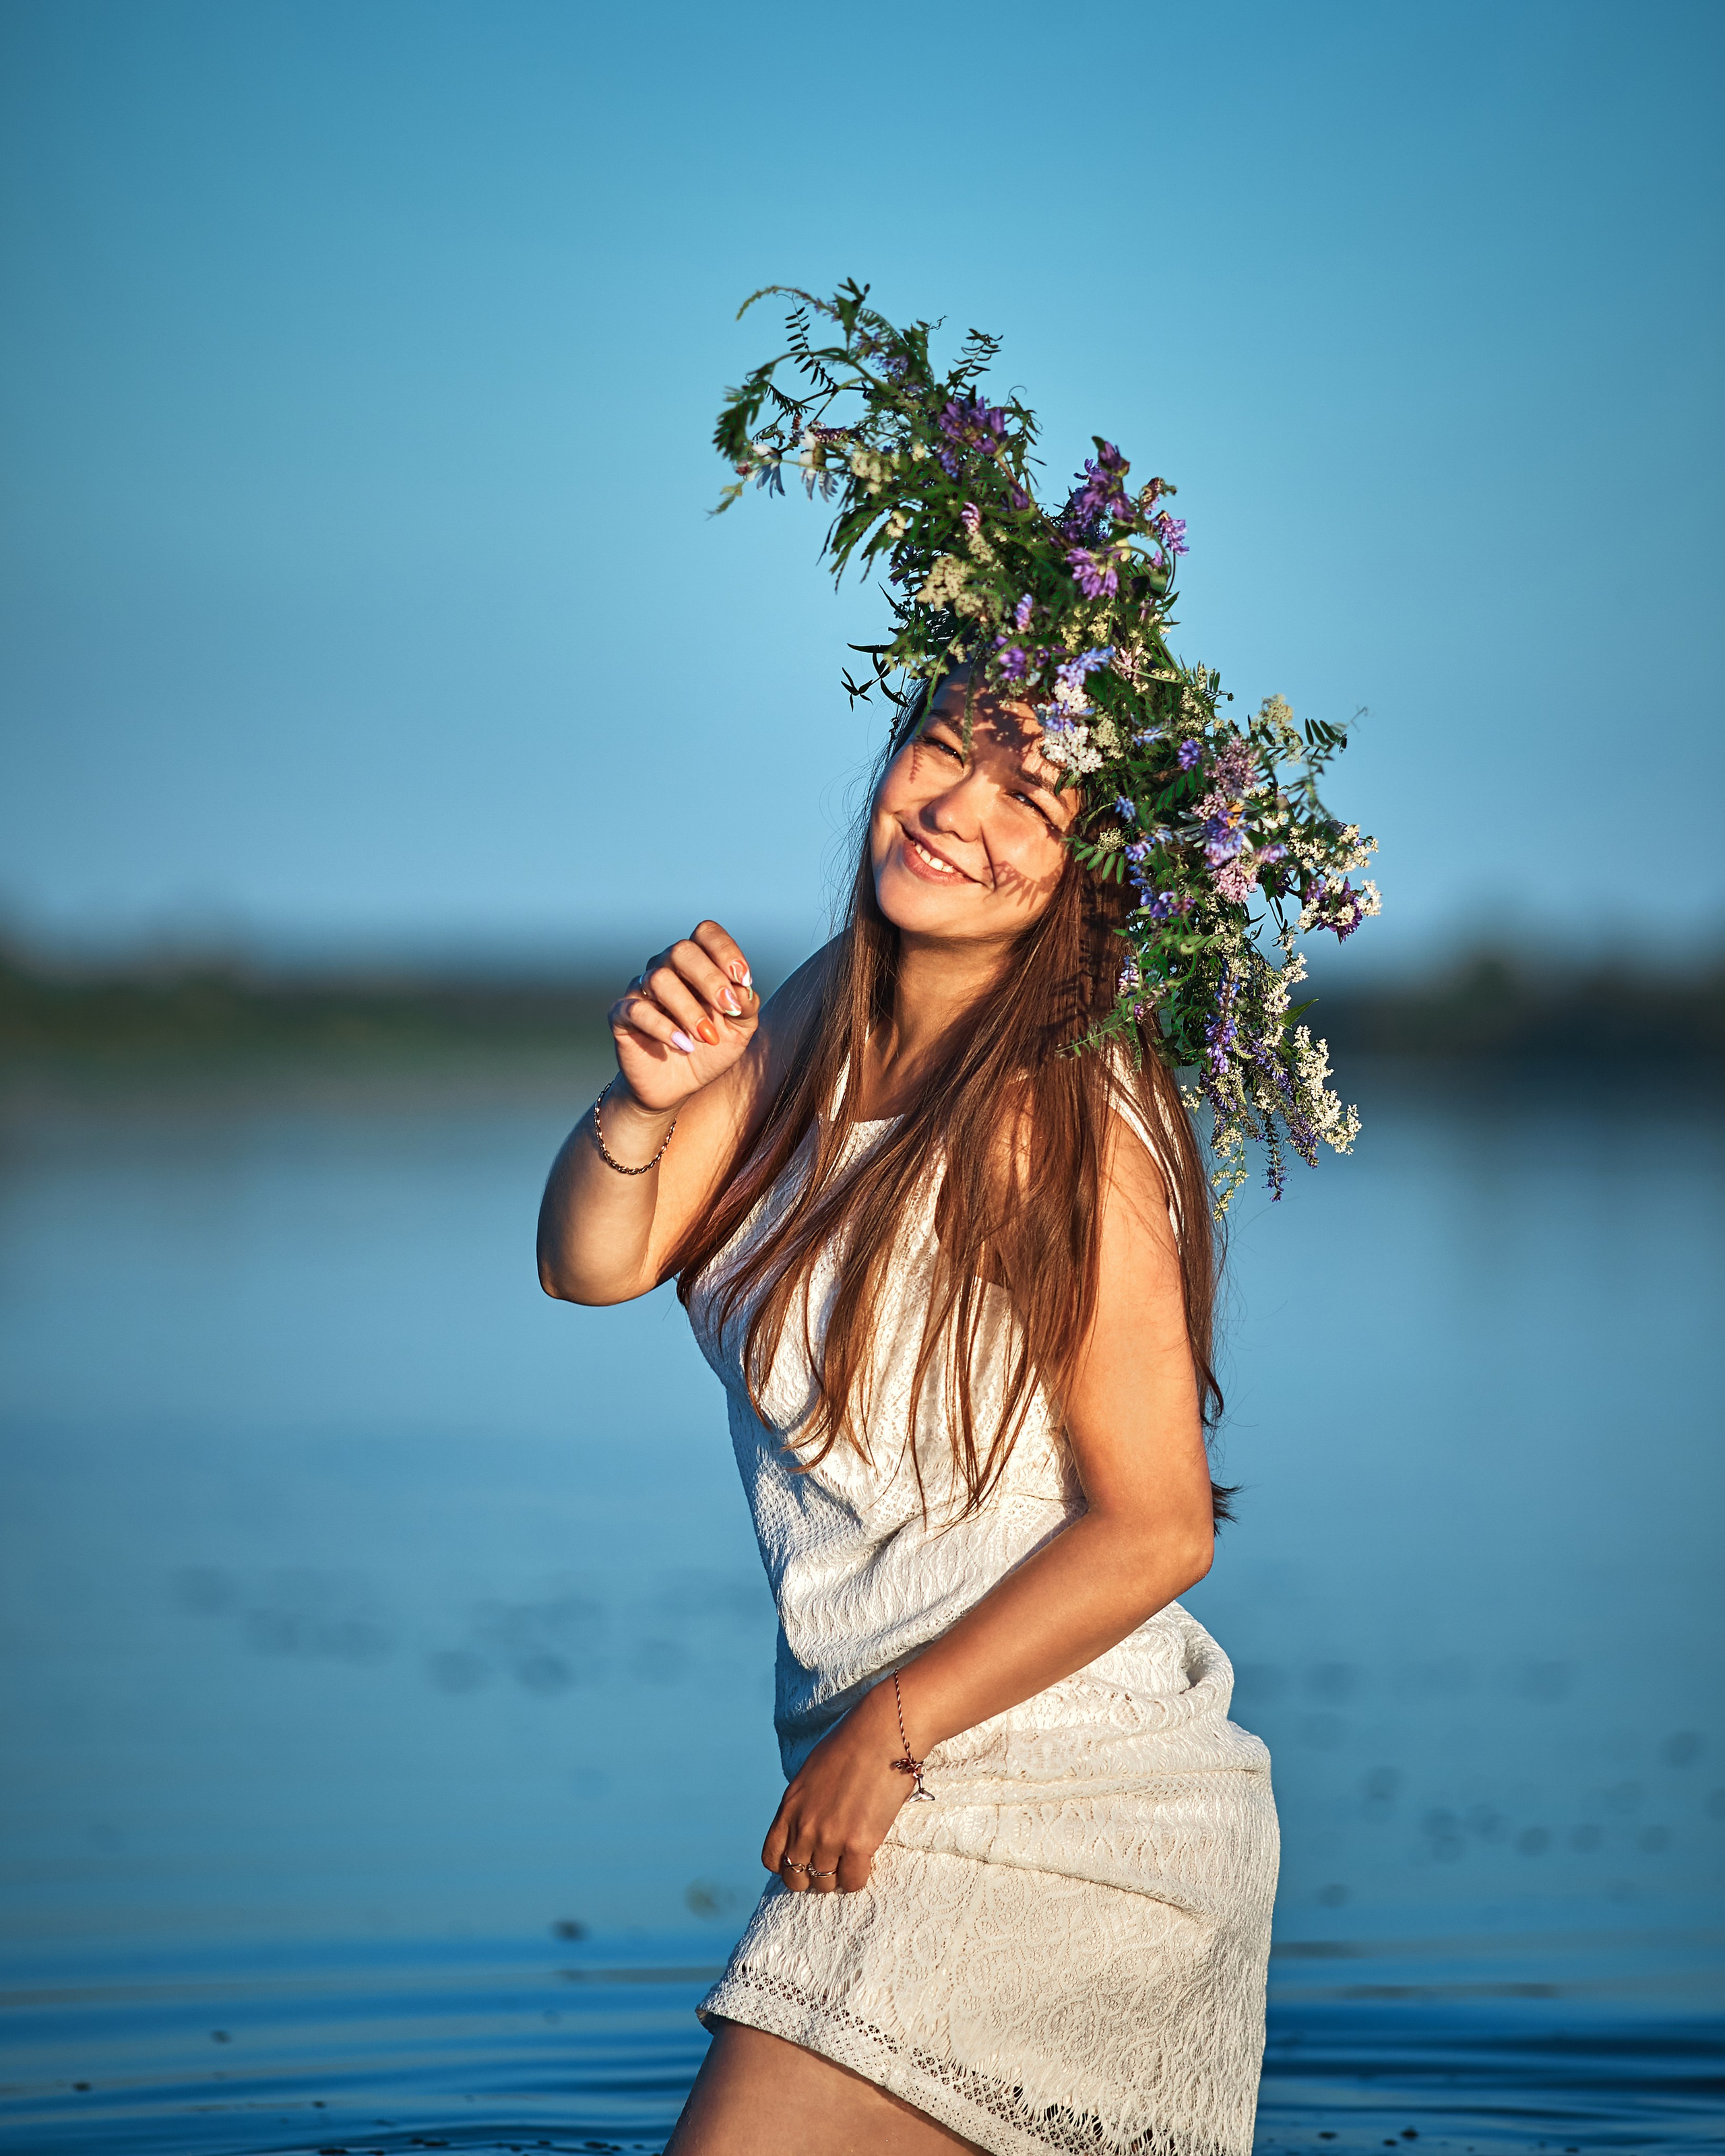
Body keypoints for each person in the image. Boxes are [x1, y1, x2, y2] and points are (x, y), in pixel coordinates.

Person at [538, 284, 1375, 2155]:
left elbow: (1156, 1523)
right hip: (916, 1780)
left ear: (1089, 873)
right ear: (893, 742)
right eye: (950, 748)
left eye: (1037, 795)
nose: (968, 813)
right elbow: (591, 1265)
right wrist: (640, 1105)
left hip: (1054, 1797)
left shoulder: (1062, 1102)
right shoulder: (794, 1036)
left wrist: (887, 1731)